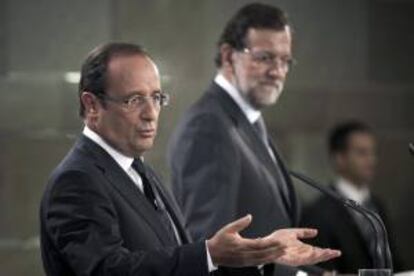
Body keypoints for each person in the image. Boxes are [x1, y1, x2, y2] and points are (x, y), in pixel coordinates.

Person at [39, 42, 340, 276]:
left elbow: (179, 264)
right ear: (92, 105)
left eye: (156, 98)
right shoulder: (77, 180)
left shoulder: (138, 170)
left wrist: (261, 255)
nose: (150, 114)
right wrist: (208, 253)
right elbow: (107, 270)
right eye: (134, 100)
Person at [168, 3, 326, 276]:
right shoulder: (207, 127)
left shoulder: (246, 120)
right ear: (229, 56)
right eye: (265, 58)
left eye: (284, 60)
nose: (277, 71)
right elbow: (212, 253)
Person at [301, 120, 404, 273]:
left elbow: (392, 259)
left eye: (373, 152)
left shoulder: (377, 204)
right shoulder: (318, 212)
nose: (372, 160)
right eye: (362, 153)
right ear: (339, 158)